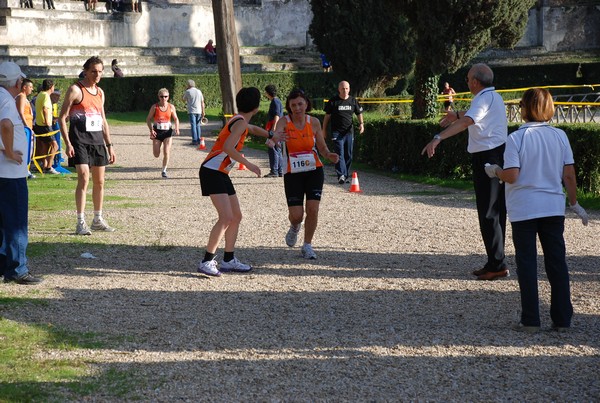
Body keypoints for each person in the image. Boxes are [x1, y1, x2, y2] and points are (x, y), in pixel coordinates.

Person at [484, 88, 588, 332]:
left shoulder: (516, 138)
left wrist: (495, 171)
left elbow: (512, 175)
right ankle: (562, 319)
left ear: (524, 109)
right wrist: (574, 203)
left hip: (524, 208)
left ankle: (530, 319)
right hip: (552, 207)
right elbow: (569, 174)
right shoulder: (560, 135)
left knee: (528, 263)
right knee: (557, 263)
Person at [422, 63, 508, 280]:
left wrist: (438, 137)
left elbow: (469, 121)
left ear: (476, 82)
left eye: (469, 79)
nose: (467, 82)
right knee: (496, 211)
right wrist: (457, 114)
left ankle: (497, 264)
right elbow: (474, 115)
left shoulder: (481, 98)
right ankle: (495, 260)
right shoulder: (493, 96)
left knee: (489, 211)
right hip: (496, 154)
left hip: (487, 158)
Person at [198, 87, 282, 276]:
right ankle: (207, 261)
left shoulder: (240, 120)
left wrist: (270, 135)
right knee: (226, 217)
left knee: (236, 216)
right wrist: (249, 164)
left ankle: (228, 260)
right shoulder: (240, 122)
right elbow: (228, 147)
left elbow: (252, 129)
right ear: (257, 106)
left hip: (219, 172)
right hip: (212, 171)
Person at [275, 89, 340, 260]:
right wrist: (275, 138)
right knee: (297, 215)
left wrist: (328, 155)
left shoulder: (314, 122)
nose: (297, 108)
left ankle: (307, 245)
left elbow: (322, 146)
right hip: (293, 172)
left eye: (300, 104)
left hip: (314, 170)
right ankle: (295, 226)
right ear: (289, 107)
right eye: (293, 105)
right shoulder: (284, 121)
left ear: (306, 104)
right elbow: (275, 137)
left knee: (313, 209)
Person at [58, 56, 116, 236]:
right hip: (80, 141)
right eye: (93, 71)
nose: (97, 75)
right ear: (85, 71)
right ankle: (80, 221)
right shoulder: (75, 90)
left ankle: (97, 219)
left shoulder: (100, 92)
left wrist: (109, 145)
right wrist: (67, 143)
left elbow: (103, 120)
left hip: (97, 141)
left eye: (100, 71)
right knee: (84, 179)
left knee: (100, 181)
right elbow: (61, 117)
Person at [0, 62, 43, 284]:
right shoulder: (7, 101)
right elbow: (6, 125)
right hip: (10, 172)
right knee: (16, 222)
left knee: (2, 221)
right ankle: (18, 269)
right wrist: (8, 151)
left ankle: (3, 264)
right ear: (18, 82)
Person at [322, 80, 364, 184]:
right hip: (337, 132)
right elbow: (327, 117)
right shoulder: (333, 101)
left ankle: (345, 175)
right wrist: (324, 130)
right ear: (339, 89)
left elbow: (359, 113)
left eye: (346, 88)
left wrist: (361, 124)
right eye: (342, 88)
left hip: (349, 132)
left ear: (349, 89)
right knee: (339, 153)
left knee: (348, 155)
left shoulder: (353, 101)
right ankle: (341, 174)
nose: (345, 90)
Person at [146, 88, 180, 178]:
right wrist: (151, 130)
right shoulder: (155, 107)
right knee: (156, 154)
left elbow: (176, 118)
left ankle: (164, 170)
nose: (164, 98)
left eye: (165, 96)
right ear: (158, 97)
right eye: (162, 97)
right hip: (157, 132)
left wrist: (177, 128)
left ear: (168, 97)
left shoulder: (171, 107)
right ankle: (158, 148)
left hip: (168, 132)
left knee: (166, 151)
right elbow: (148, 119)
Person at [34, 79, 59, 175]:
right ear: (51, 86)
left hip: (38, 124)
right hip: (45, 125)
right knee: (54, 145)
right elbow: (45, 108)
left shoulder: (40, 94)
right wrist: (47, 121)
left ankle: (44, 166)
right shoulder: (45, 96)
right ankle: (49, 167)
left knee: (44, 146)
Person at [264, 84, 284, 177]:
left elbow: (276, 116)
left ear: (268, 93)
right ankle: (280, 170)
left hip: (275, 127)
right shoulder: (278, 101)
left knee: (273, 149)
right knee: (278, 149)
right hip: (279, 128)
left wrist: (273, 129)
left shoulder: (274, 102)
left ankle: (274, 171)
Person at [182, 79, 205, 146]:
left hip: (192, 111)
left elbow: (183, 99)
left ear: (188, 85)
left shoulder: (188, 91)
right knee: (198, 125)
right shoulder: (199, 91)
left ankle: (194, 140)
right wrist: (203, 111)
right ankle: (198, 139)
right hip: (199, 110)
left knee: (193, 126)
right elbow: (202, 102)